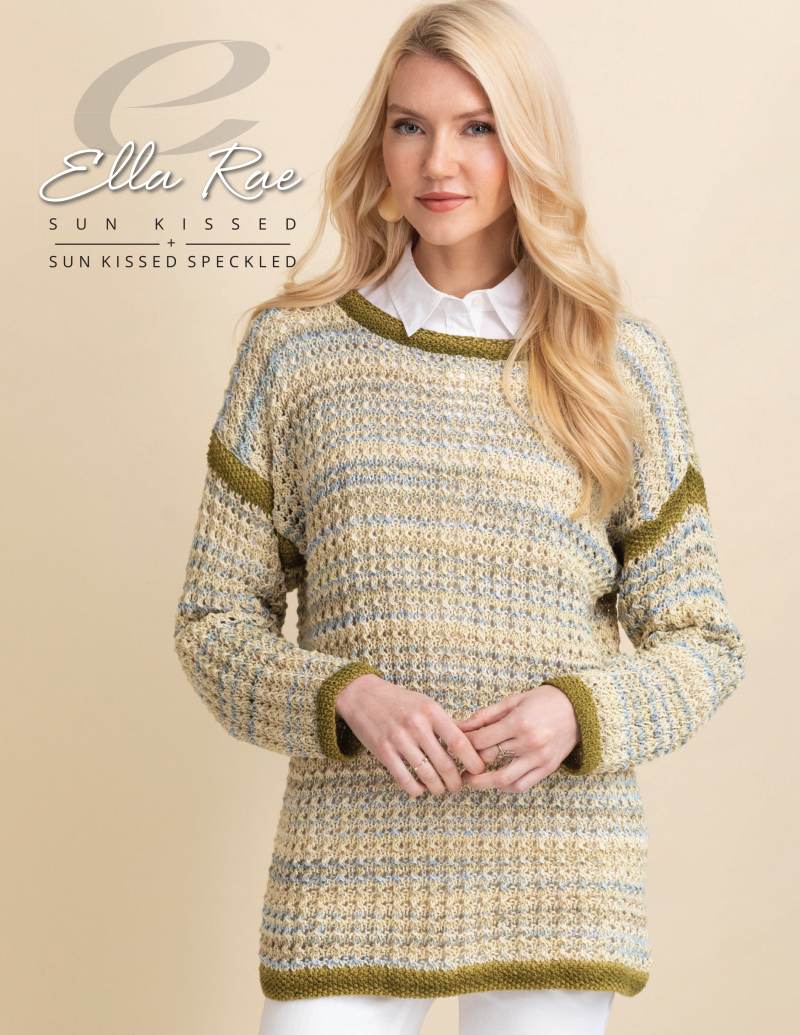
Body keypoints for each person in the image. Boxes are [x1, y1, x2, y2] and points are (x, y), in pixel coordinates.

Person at [171, 2, 747, 1033]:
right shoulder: (294, 355)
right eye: (410, 125)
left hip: (558, 875)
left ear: (527, 143)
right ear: (378, 145)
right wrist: (344, 697)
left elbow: (703, 641)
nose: (439, 161)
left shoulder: (618, 366)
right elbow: (212, 623)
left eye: (477, 127)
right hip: (346, 872)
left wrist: (579, 711)